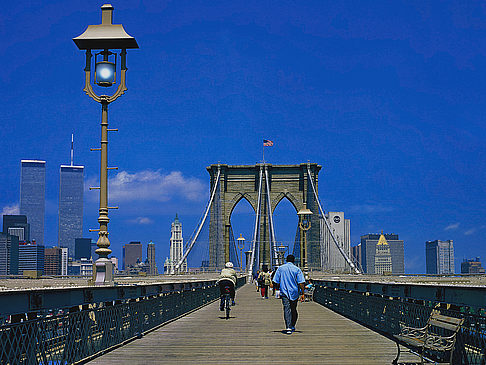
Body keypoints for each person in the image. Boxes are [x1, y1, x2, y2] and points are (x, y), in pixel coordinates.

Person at [272, 255, 305, 334]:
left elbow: (275, 281)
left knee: (287, 309)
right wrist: (303, 293)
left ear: (286, 260)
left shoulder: (280, 268)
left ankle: (288, 327)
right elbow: (301, 283)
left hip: (284, 292)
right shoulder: (297, 269)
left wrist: (276, 289)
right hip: (294, 292)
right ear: (294, 261)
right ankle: (292, 325)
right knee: (293, 309)